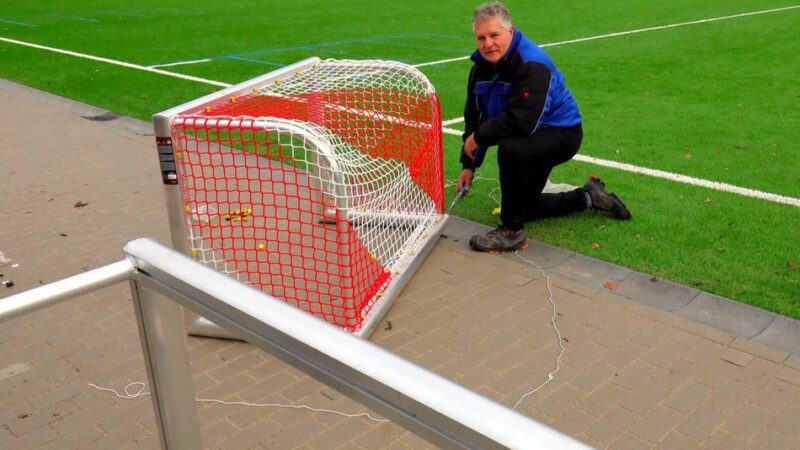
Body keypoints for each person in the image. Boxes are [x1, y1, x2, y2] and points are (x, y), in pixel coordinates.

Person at [457, 1, 631, 253]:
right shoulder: (480, 69)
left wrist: (479, 136)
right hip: (531, 134)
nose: (488, 43)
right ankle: (589, 197)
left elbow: (521, 122)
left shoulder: (532, 64)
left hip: (561, 134)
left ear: (511, 31)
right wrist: (469, 165)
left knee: (510, 149)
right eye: (481, 37)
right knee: (523, 206)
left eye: (494, 35)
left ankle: (511, 232)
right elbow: (474, 116)